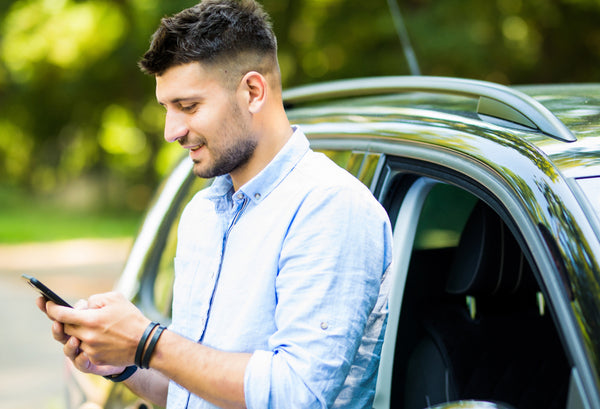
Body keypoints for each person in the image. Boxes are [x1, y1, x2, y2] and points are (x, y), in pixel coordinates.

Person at [37, 0, 393, 408]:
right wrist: (123, 362)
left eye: (188, 107)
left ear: (253, 92)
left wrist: (146, 340)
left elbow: (297, 394)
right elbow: (193, 386)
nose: (172, 131)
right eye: (166, 109)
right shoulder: (202, 215)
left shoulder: (330, 208)